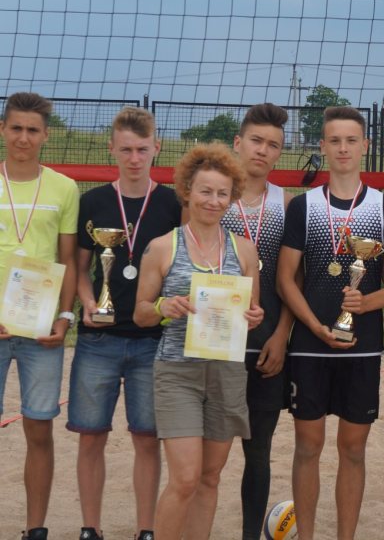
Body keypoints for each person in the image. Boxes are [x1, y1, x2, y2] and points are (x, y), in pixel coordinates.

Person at [276, 106, 384, 540]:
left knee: (353, 450)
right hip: (310, 344)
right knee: (308, 447)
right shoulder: (304, 206)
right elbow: (286, 279)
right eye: (335, 140)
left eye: (351, 140)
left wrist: (368, 302)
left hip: (363, 345)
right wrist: (313, 325)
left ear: (365, 146)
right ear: (322, 146)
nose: (343, 148)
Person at [134, 142, 265, 540]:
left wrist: (255, 317)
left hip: (226, 371)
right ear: (188, 190)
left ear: (232, 197)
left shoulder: (244, 250)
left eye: (222, 193)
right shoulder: (163, 247)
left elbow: (252, 312)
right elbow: (140, 313)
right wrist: (164, 306)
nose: (214, 200)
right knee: (185, 478)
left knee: (210, 478)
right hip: (178, 372)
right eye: (206, 191)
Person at [68, 107, 181, 540]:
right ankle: (90, 528)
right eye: (126, 150)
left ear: (157, 149)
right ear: (111, 149)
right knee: (91, 435)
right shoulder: (93, 201)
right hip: (99, 339)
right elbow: (80, 268)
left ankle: (146, 529)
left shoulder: (172, 204)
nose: (135, 158)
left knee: (147, 439)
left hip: (153, 339)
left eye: (142, 150)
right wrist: (88, 302)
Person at [0, 92, 78, 540]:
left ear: (46, 135)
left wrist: (65, 318)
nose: (23, 137)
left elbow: (68, 259)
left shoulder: (63, 187)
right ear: (3, 130)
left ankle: (35, 529)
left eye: (32, 130)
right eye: (16, 128)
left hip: (42, 330)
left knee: (39, 428)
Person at [221, 103, 295, 540]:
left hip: (266, 345)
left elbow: (292, 282)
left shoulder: (286, 204)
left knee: (259, 453)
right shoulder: (212, 197)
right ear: (238, 142)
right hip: (216, 343)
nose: (263, 150)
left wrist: (282, 335)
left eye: (273, 145)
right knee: (208, 455)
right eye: (256, 141)